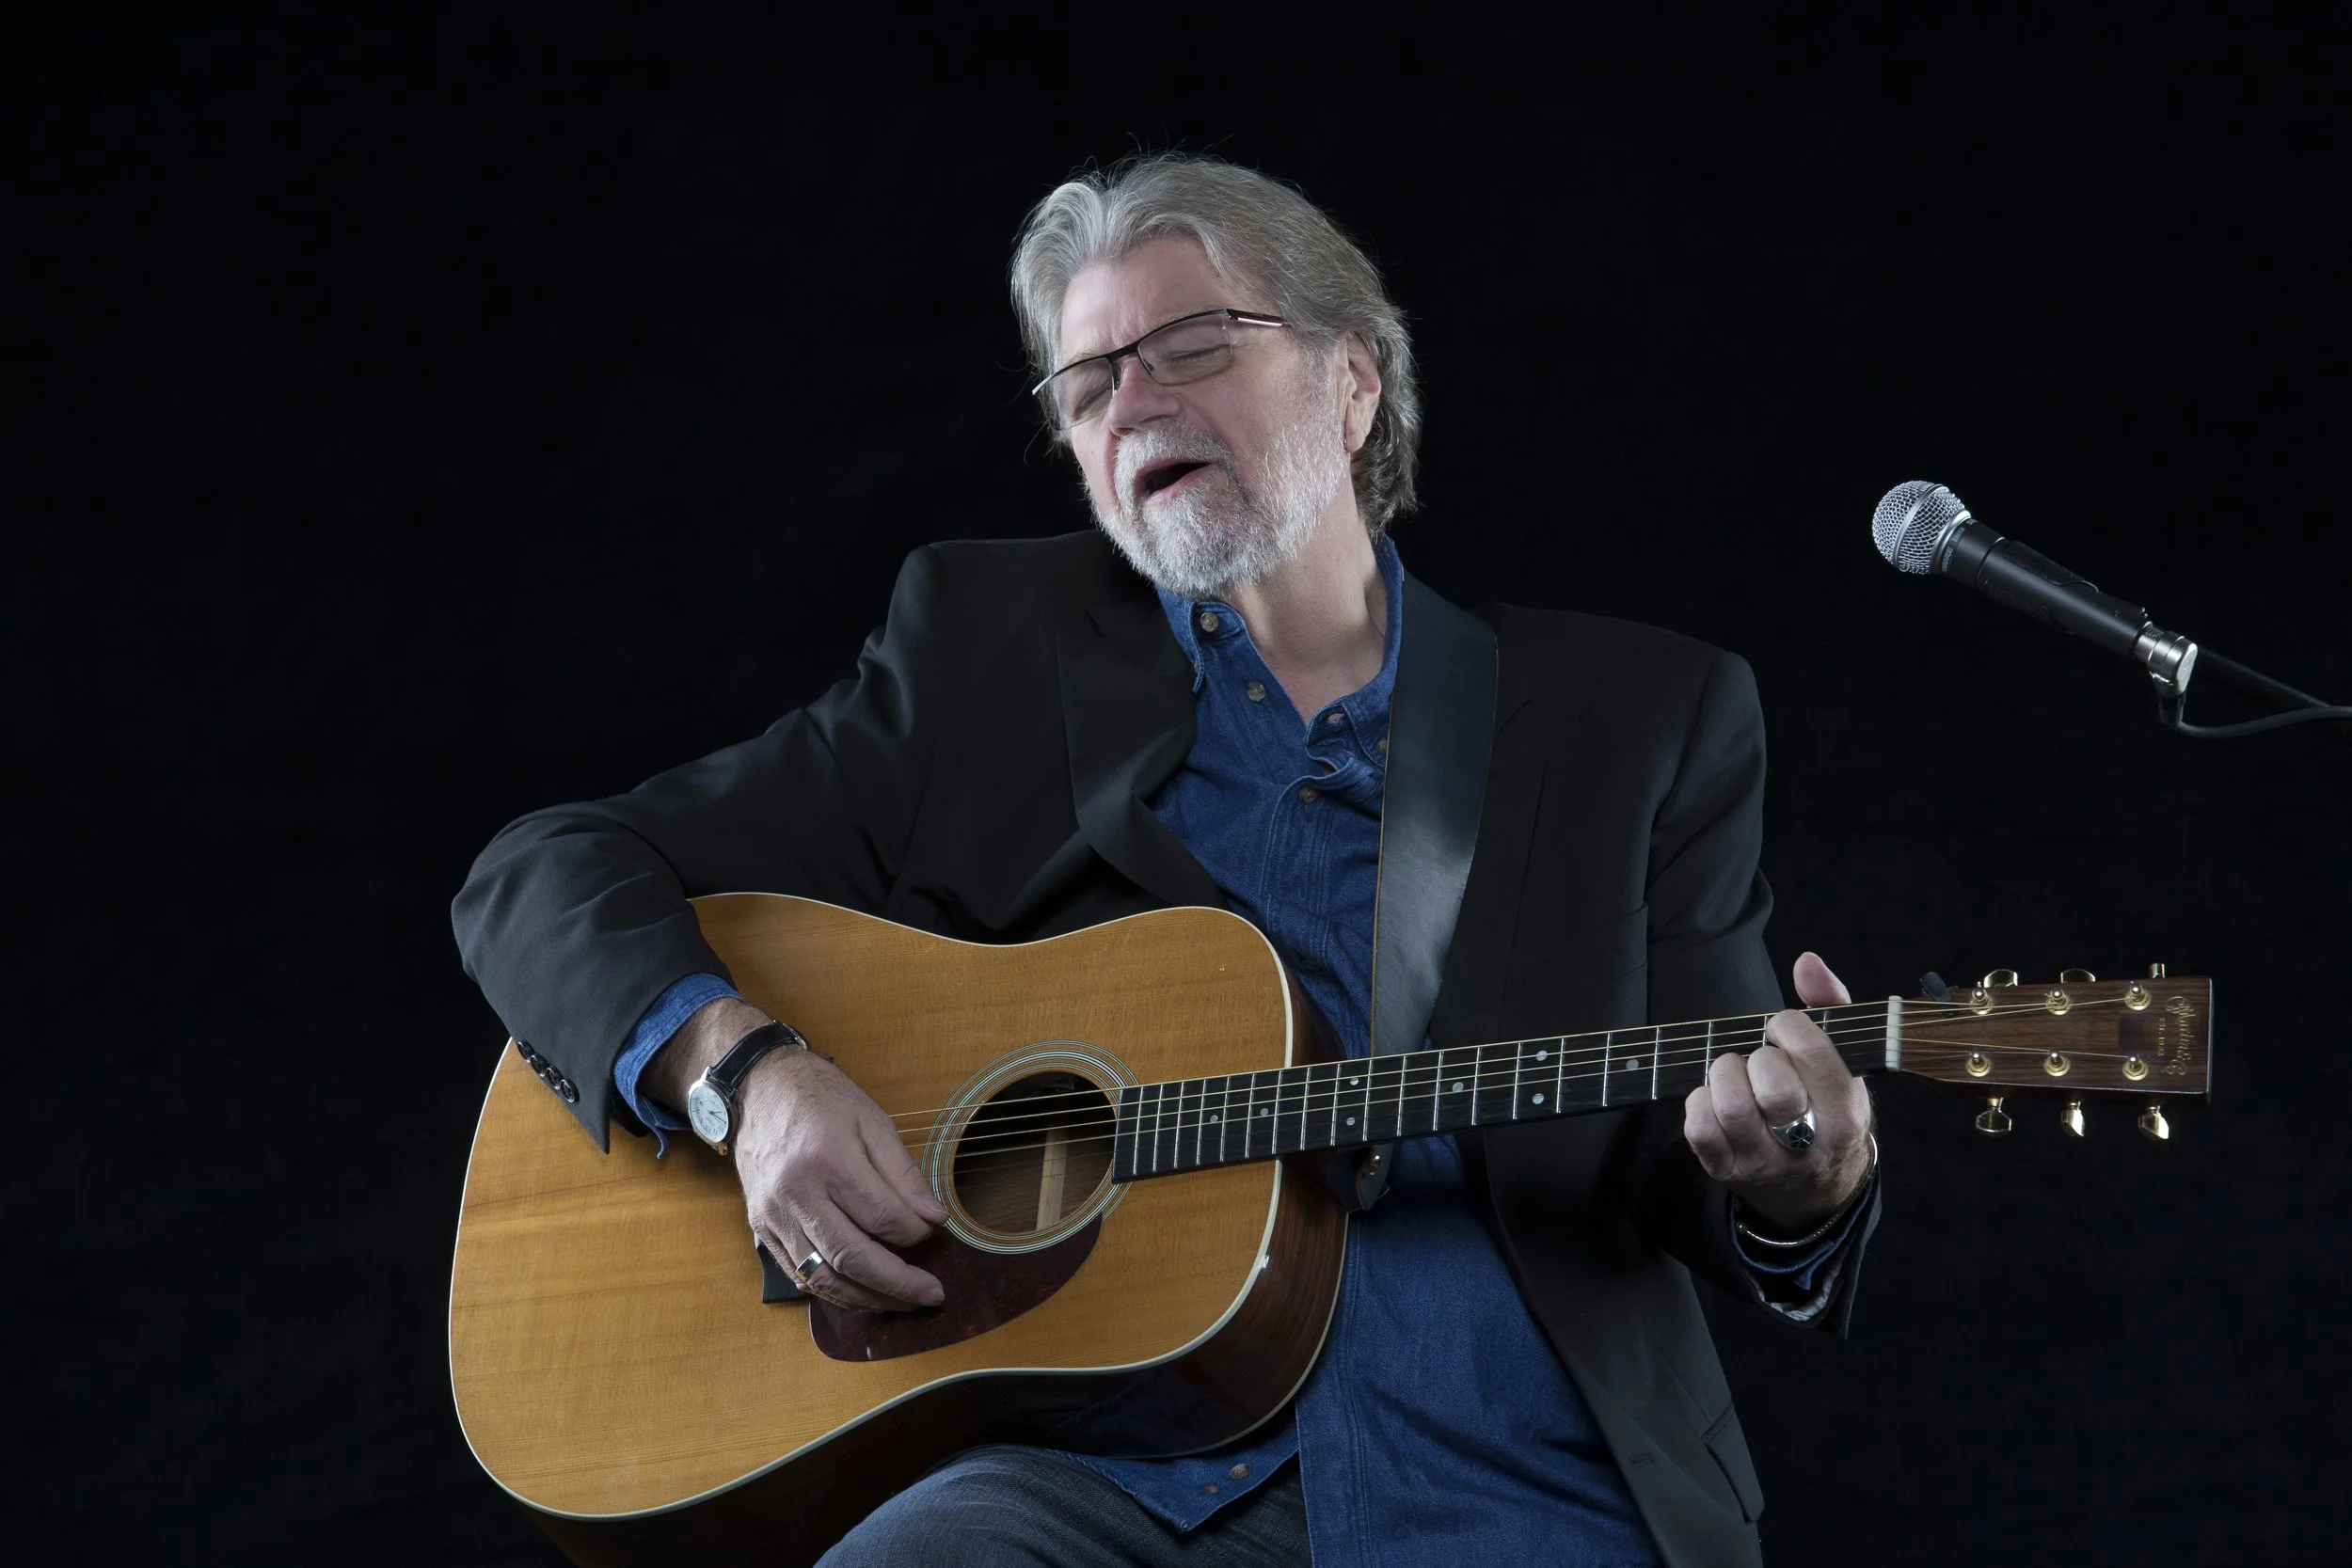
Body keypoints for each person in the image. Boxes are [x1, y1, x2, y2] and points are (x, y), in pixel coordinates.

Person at [453, 152, 1881, 1568]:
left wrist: (1798, 1184)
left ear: (1354, 379)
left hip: (1509, 1476)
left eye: (1192, 344)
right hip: (1105, 1477)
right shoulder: (984, 655)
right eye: (1088, 386)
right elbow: (544, 874)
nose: (1133, 402)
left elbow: (1711, 1144)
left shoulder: (1637, 719)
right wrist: (745, 1080)